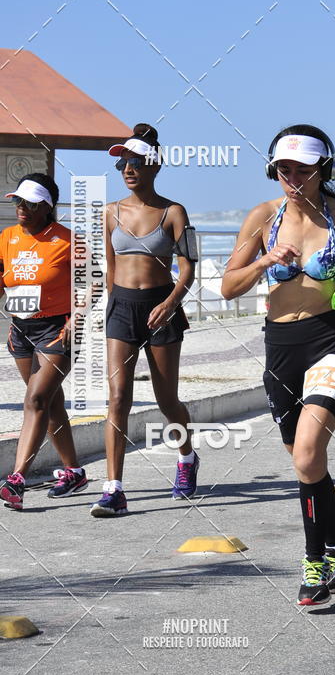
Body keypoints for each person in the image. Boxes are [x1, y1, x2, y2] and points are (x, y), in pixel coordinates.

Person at [221, 124, 335, 606]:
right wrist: (263, 261)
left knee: (308, 451)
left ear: (324, 170)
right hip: (280, 347)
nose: (292, 177)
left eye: (303, 169)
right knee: (305, 461)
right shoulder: (262, 217)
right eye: (283, 169)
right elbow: (228, 287)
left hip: (331, 338)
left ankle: (316, 562)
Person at [90, 123, 198, 517]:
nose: (128, 169)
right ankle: (113, 488)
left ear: (156, 165)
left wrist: (170, 303)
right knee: (118, 397)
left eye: (136, 162)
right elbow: (109, 267)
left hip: (161, 308)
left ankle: (186, 458)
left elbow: (188, 269)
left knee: (166, 400)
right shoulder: (109, 212)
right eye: (122, 164)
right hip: (122, 309)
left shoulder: (174, 212)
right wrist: (99, 306)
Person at [0, 174, 88, 511]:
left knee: (35, 399)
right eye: (18, 201)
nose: (21, 207)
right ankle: (73, 471)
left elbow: (93, 282)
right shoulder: (6, 238)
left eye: (29, 202)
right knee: (49, 403)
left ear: (46, 207)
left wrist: (75, 319)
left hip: (58, 329)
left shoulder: (67, 241)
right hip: (21, 330)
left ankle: (17, 478)